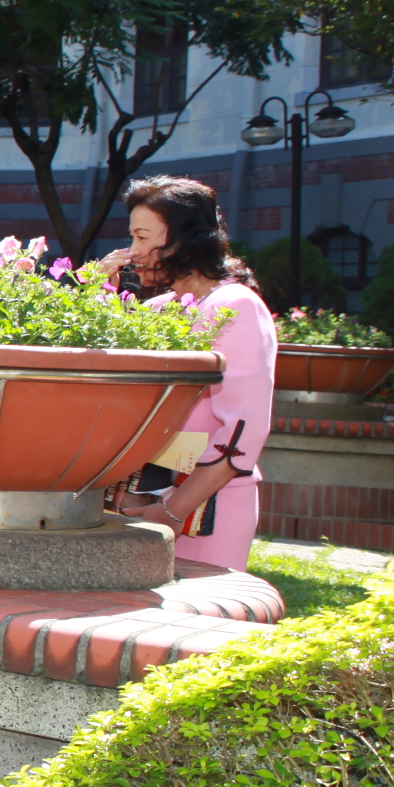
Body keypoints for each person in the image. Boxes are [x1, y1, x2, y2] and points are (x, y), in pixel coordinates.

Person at [93, 176, 274, 572]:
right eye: (132, 237)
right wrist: (102, 292)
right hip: (143, 501)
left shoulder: (235, 306)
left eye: (143, 238)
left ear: (183, 240)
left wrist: (172, 512)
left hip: (203, 506)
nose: (132, 252)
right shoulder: (161, 308)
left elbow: (243, 431)